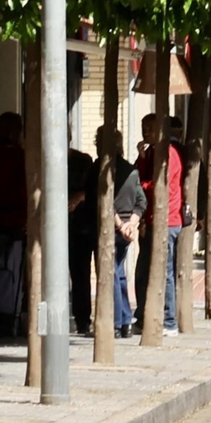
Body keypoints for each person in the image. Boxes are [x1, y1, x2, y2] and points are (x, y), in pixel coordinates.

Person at [133, 112, 183, 335]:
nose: (146, 133)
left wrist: (141, 186)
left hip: (167, 219)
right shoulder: (151, 152)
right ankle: (144, 315)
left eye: (150, 129)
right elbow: (137, 177)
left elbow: (159, 186)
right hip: (150, 218)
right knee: (144, 271)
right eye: (144, 129)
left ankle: (169, 320)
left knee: (165, 271)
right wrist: (142, 158)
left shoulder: (168, 154)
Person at [97, 128, 147, 339]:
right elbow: (141, 201)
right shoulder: (132, 170)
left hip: (111, 227)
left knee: (112, 272)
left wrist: (121, 225)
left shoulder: (100, 169)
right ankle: (125, 319)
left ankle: (117, 322)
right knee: (119, 271)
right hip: (125, 228)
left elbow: (101, 201)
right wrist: (132, 223)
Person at [67, 142, 97, 336]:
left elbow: (93, 188)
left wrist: (81, 196)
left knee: (80, 273)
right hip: (57, 223)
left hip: (80, 225)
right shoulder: (39, 157)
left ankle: (83, 319)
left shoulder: (82, 161)